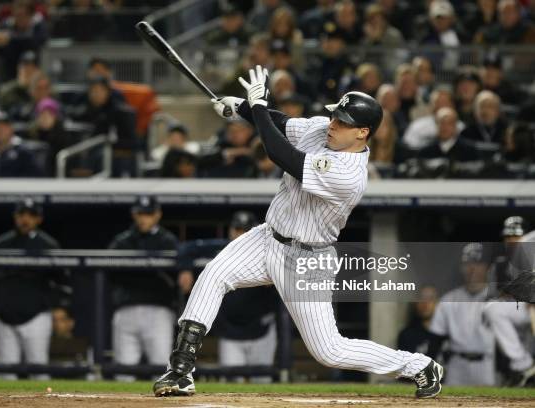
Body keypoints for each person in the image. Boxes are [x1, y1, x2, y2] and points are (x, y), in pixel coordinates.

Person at [153, 66, 443, 399]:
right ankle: (181, 370)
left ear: (363, 132)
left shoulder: (349, 175)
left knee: (329, 351)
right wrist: (241, 109)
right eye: (336, 116)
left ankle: (418, 366)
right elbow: (281, 124)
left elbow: (281, 154)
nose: (334, 124)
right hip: (267, 237)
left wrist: (257, 106)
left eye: (344, 122)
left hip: (309, 259)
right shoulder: (323, 128)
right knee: (213, 274)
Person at [178, 211, 278, 383]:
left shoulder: (267, 252)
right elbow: (186, 249)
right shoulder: (223, 248)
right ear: (231, 230)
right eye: (237, 229)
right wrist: (185, 268)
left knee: (263, 381)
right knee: (232, 384)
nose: (240, 234)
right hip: (231, 333)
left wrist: (274, 274)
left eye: (245, 230)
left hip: (261, 331)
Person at [0, 198, 71, 379]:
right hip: (5, 317)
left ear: (38, 219)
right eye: (21, 214)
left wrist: (52, 304)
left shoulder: (48, 246)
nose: (25, 219)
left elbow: (62, 281)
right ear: (15, 217)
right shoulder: (1, 244)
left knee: (39, 371)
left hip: (36, 317)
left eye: (31, 215)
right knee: (6, 374)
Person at [109, 196, 180, 379]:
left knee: (161, 371)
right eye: (140, 213)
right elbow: (111, 274)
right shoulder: (122, 241)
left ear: (157, 215)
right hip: (126, 310)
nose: (143, 218)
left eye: (148, 214)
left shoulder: (168, 241)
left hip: (158, 312)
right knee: (123, 373)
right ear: (134, 214)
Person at [427, 243, 495, 386]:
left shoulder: (498, 300)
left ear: (487, 268)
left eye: (477, 263)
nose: (472, 269)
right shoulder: (448, 299)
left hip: (488, 364)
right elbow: (435, 340)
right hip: (457, 365)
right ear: (461, 268)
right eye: (467, 264)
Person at [483, 216, 535, 386]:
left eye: (516, 236)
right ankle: (523, 366)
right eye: (508, 237)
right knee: (493, 309)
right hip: (523, 310)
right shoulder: (500, 265)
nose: (511, 240)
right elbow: (493, 296)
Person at [0, 109, 41, 177]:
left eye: (4, 126)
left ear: (11, 130)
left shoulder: (24, 154)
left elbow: (36, 178)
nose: (0, 129)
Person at [398, 286, 439, 356]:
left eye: (430, 298)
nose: (425, 303)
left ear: (437, 303)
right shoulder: (407, 335)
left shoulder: (447, 333)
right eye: (421, 298)